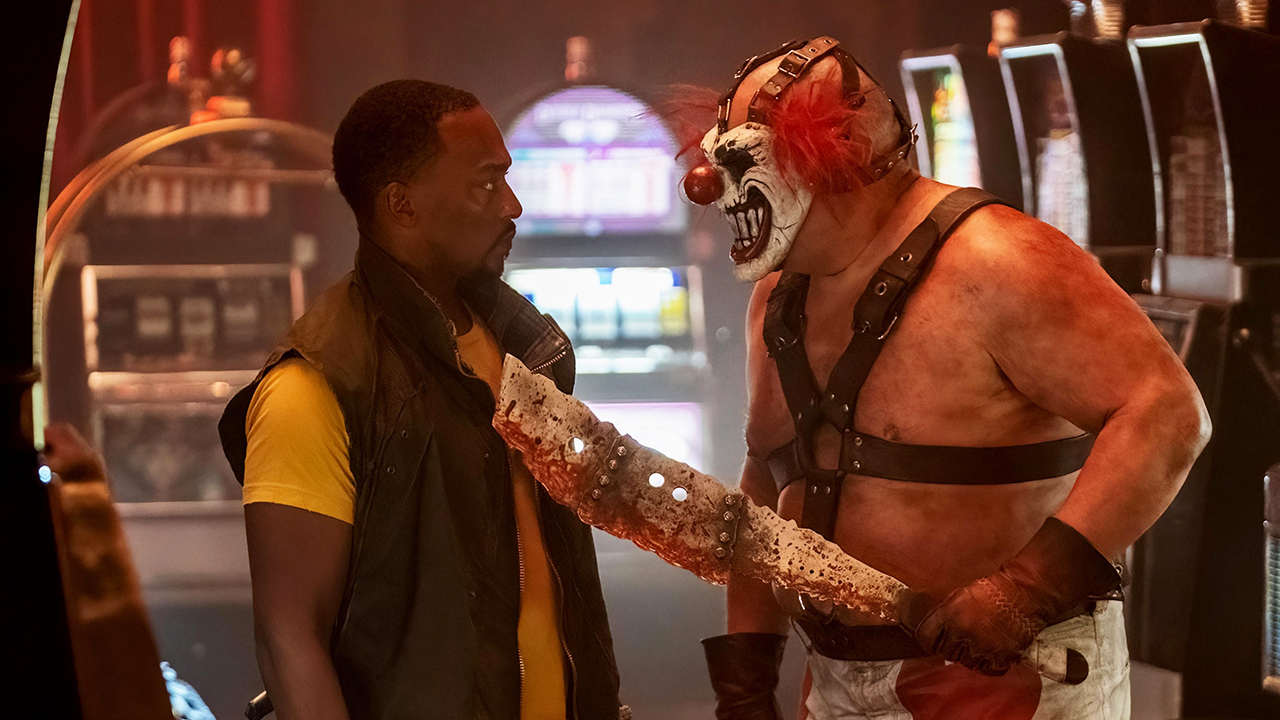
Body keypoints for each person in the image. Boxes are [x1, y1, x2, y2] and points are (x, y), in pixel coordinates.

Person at [679, 37, 1210, 719]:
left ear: (845, 153)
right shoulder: (777, 297)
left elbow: (1167, 413)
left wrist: (1026, 589)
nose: (706, 188)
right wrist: (745, 683)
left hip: (1007, 683)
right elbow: (768, 481)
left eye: (742, 160)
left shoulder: (999, 261)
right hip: (835, 681)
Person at [218, 80, 623, 720]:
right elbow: (288, 637)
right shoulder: (314, 384)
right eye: (486, 184)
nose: (512, 205)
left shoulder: (521, 348)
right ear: (402, 205)